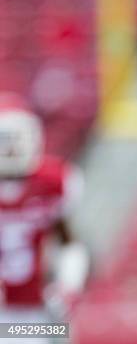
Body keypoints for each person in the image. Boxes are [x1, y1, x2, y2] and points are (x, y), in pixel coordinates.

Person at [0, 94, 89, 339]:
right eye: (3, 141)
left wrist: (68, 287)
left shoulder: (51, 183)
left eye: (14, 140)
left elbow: (69, 242)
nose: (9, 150)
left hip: (38, 309)